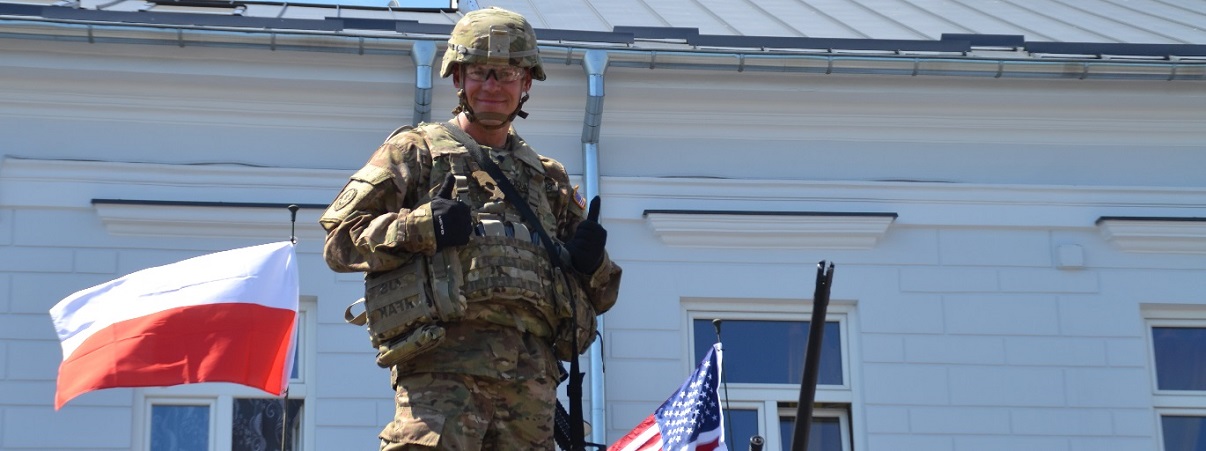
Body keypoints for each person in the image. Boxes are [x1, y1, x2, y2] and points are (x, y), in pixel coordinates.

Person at [319, 6, 622, 450]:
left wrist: (592, 263)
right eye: (480, 72)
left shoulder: (547, 179)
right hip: (441, 377)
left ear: (526, 83)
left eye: (507, 73)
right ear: (458, 78)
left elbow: (604, 293)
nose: (493, 86)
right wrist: (421, 226)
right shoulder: (415, 152)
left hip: (530, 390)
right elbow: (340, 241)